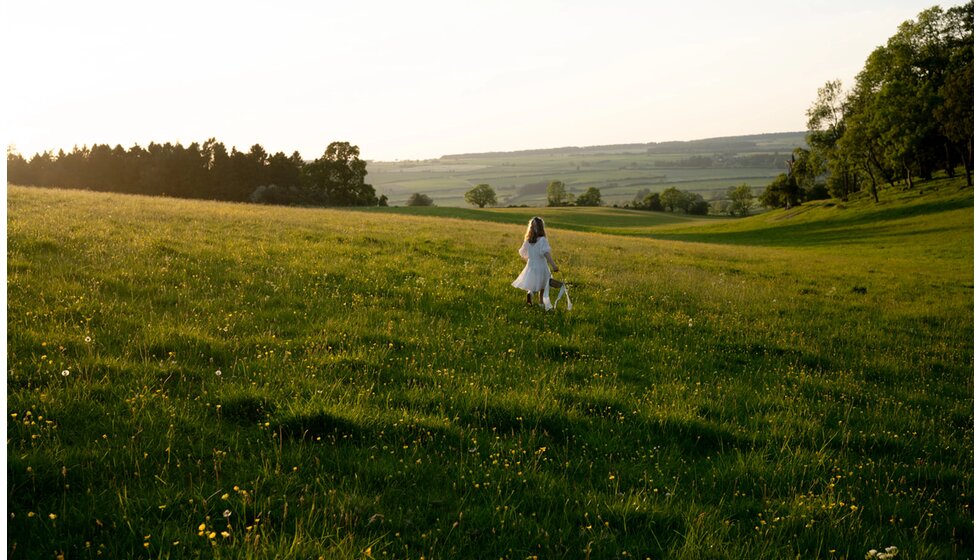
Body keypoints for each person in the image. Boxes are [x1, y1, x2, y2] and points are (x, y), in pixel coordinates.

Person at [511, 216, 569, 310]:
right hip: (541, 265)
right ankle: (541, 304)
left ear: (530, 228)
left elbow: (522, 252)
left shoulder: (528, 240)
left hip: (530, 265)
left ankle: (530, 293)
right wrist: (554, 265)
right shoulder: (542, 240)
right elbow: (546, 254)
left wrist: (529, 260)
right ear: (542, 227)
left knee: (533, 283)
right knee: (543, 285)